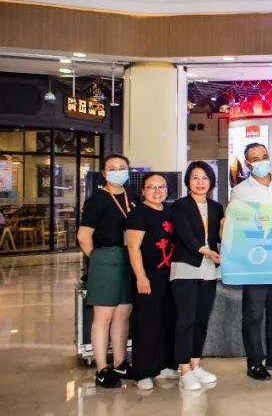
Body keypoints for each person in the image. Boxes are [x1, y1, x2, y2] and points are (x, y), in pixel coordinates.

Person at [230, 142, 272, 380]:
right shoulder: (240, 191)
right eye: (255, 159)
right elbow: (237, 225)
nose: (261, 162)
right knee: (253, 315)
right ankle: (255, 362)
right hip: (255, 260)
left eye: (264, 156)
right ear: (248, 164)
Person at [77, 154, 135, 388]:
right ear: (104, 173)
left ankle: (120, 362)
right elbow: (84, 236)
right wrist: (99, 259)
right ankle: (102, 368)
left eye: (122, 167)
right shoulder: (97, 201)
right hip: (105, 257)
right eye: (113, 168)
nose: (118, 171)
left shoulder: (132, 196)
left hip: (128, 258)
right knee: (103, 316)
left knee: (123, 313)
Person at [171, 161, 225, 391]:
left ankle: (195, 364)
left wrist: (227, 227)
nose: (200, 182)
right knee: (186, 319)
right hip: (185, 267)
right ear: (188, 181)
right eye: (195, 178)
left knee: (202, 319)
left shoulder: (216, 207)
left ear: (211, 182)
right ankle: (183, 369)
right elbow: (183, 234)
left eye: (204, 178)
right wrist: (205, 250)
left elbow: (220, 236)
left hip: (209, 269)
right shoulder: (180, 205)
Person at [125, 172, 179, 390]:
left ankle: (164, 365)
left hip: (170, 276)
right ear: (143, 191)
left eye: (161, 187)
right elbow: (133, 247)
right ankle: (143, 371)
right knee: (147, 322)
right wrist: (141, 276)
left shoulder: (170, 210)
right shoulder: (138, 214)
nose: (157, 191)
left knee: (167, 320)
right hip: (148, 276)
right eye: (152, 187)